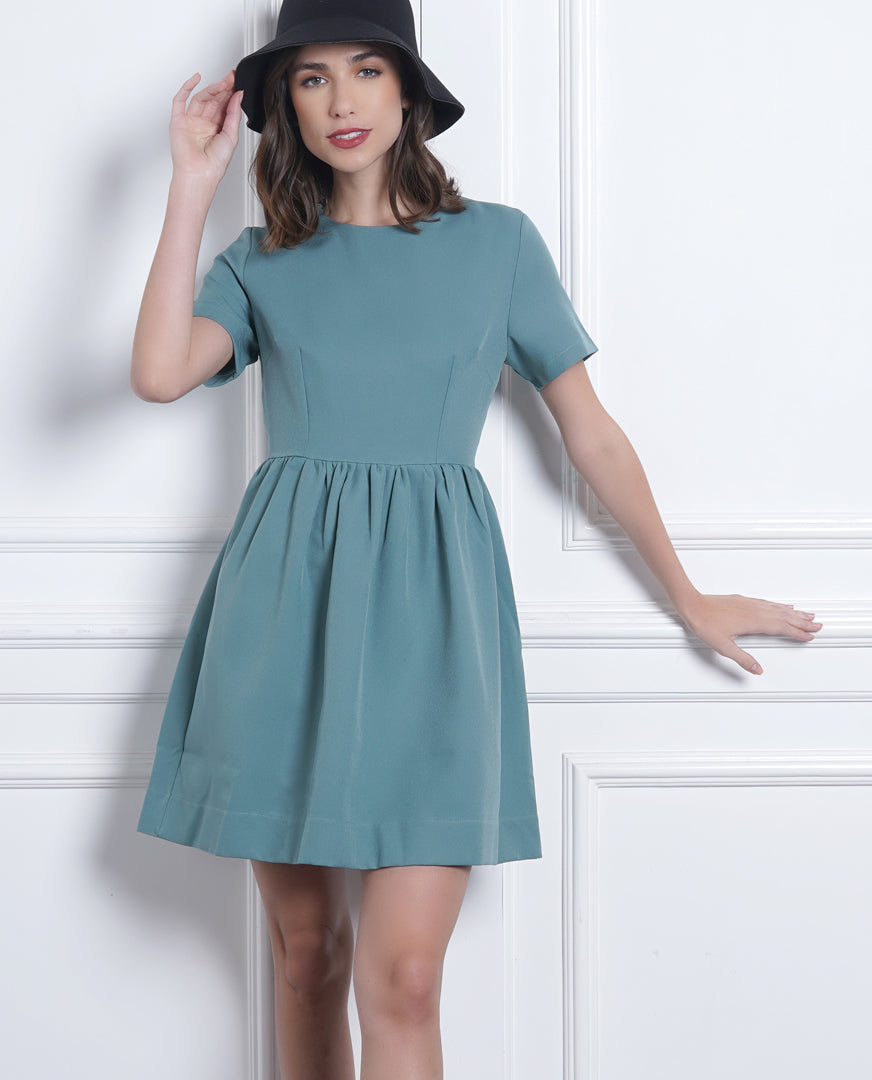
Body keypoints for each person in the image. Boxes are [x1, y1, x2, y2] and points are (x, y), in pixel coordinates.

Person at [130, 1, 821, 1077]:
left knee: (405, 979)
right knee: (306, 958)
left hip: (434, 630)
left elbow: (590, 433)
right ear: (284, 106)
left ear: (409, 88)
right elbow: (159, 372)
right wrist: (191, 184)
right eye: (311, 78)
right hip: (282, 623)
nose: (342, 99)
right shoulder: (265, 259)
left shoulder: (498, 245)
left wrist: (687, 595)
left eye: (368, 69)